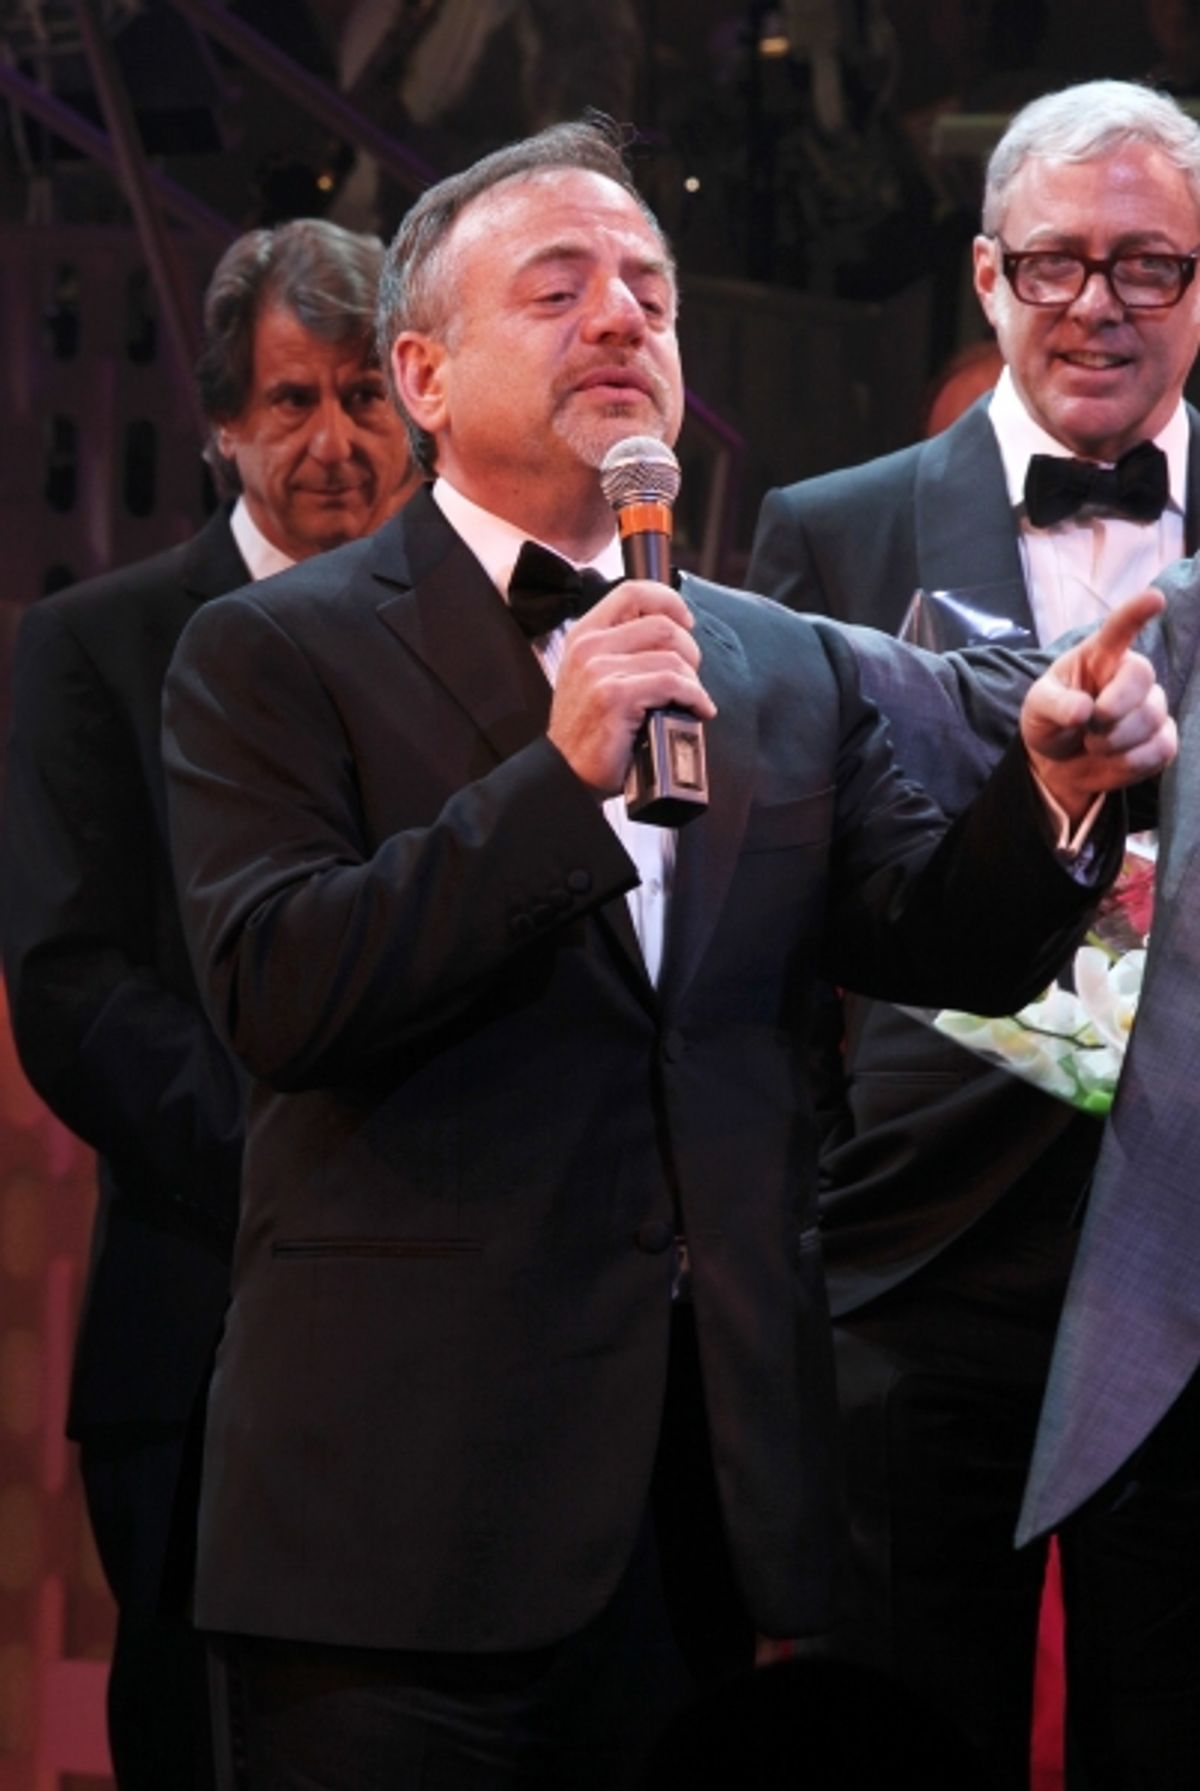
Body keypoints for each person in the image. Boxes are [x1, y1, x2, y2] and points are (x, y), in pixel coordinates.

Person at [158, 117, 1172, 1791]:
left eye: (650, 288)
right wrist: (553, 783)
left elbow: (945, 943)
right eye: (558, 290)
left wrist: (1054, 790)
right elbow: (280, 986)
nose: (622, 318)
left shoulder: (772, 663)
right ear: (422, 372)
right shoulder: (269, 654)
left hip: (704, 1526)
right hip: (393, 1539)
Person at [746, 77, 1200, 1786]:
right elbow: (780, 898)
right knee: (906, 1731)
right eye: (1060, 263)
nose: (1101, 304)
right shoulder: (833, 528)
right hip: (922, 1247)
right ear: (989, 277)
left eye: (1151, 266)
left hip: (1196, 1244)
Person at [0, 217, 414, 1791]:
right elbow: (72, 988)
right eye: (293, 403)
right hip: (198, 1325)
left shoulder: (492, 634)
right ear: (223, 425)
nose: (333, 443)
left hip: (456, 1342)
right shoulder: (96, 644)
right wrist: (305, 1173)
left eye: (365, 397)